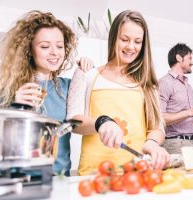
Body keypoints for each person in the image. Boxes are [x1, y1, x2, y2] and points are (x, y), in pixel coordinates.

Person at [0, 10, 93, 176]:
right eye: (45, 46)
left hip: (59, 179)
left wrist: (87, 71)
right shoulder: (1, 86)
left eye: (59, 46)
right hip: (15, 179)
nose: (54, 52)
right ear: (29, 49)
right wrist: (13, 106)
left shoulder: (69, 87)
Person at [66, 10, 169, 175]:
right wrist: (101, 122)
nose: (131, 47)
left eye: (137, 42)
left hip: (137, 173)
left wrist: (152, 143)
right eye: (124, 39)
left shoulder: (148, 84)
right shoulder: (88, 74)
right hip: (95, 174)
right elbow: (72, 122)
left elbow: (157, 127)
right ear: (114, 38)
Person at [158, 43, 193, 162]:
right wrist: (191, 111)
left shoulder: (188, 87)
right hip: (174, 144)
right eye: (190, 58)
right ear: (179, 58)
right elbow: (159, 118)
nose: (192, 62)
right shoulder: (164, 83)